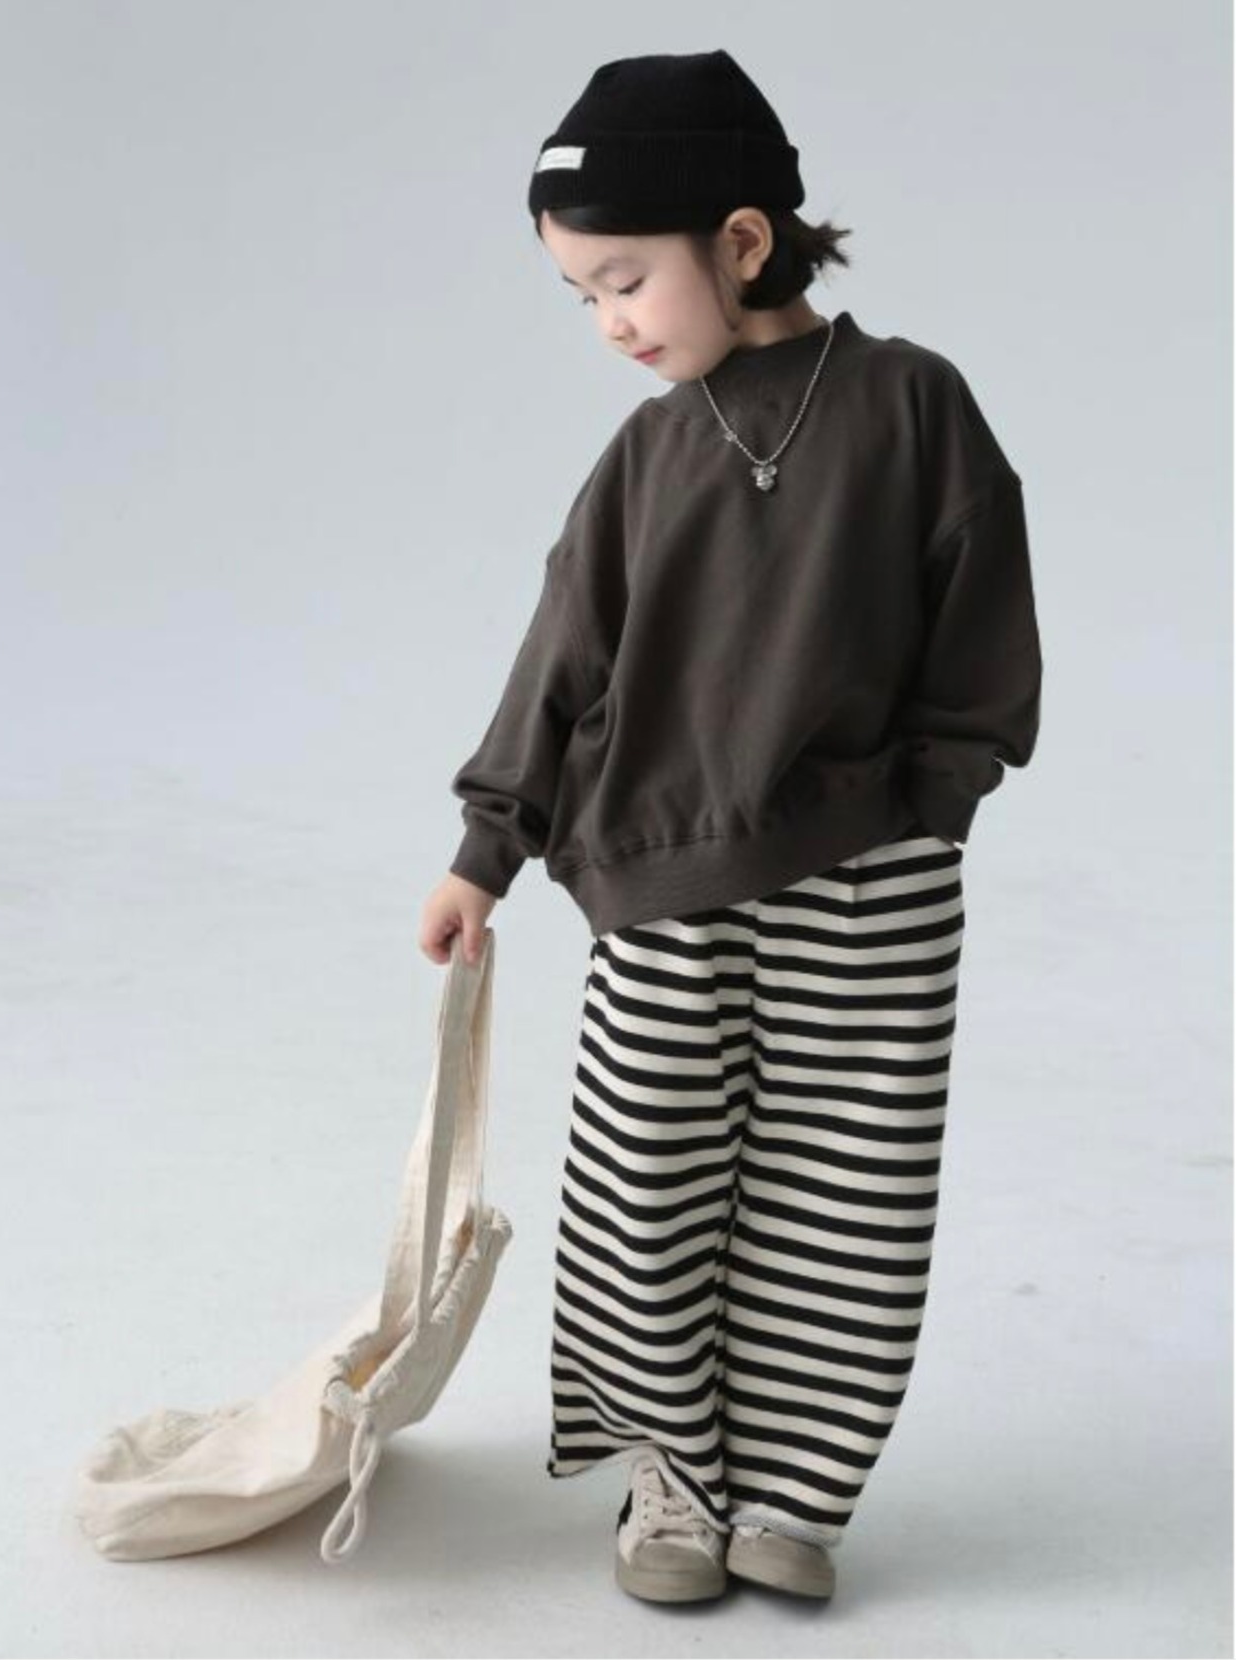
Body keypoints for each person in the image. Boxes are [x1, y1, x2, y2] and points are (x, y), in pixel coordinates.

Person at [417, 49, 1043, 1606]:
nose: (609, 323)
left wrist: (933, 810)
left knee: (849, 1197)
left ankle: (794, 1493)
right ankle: (677, 1485)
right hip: (663, 885)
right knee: (648, 1192)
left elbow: (981, 607)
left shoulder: (911, 404)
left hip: (876, 886)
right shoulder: (649, 452)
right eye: (582, 297)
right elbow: (563, 652)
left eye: (625, 280)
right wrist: (487, 849)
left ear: (745, 240)